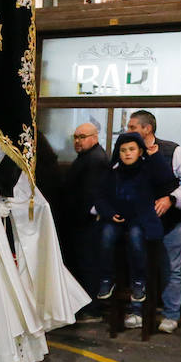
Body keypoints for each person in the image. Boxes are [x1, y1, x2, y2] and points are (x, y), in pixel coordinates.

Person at [126, 110, 181, 333]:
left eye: (132, 127)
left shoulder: (172, 150)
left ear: (147, 128)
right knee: (138, 265)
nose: (128, 132)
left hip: (171, 219)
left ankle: (170, 314)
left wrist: (172, 198)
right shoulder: (129, 152)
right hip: (141, 220)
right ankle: (136, 310)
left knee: (171, 267)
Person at [94, 131, 167, 307]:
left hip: (141, 220)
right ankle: (106, 279)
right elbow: (100, 197)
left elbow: (165, 179)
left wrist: (155, 157)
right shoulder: (113, 172)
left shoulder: (148, 169)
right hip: (117, 218)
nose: (127, 153)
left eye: (132, 149)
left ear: (140, 151)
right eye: (123, 150)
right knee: (106, 235)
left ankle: (139, 281)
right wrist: (109, 213)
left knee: (136, 238)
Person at [60, 122, 107, 318]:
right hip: (79, 221)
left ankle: (90, 307)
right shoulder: (87, 157)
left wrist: (79, 218)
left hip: (86, 223)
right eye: (76, 137)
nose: (78, 141)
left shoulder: (95, 159)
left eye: (82, 137)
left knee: (88, 264)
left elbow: (89, 195)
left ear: (94, 138)